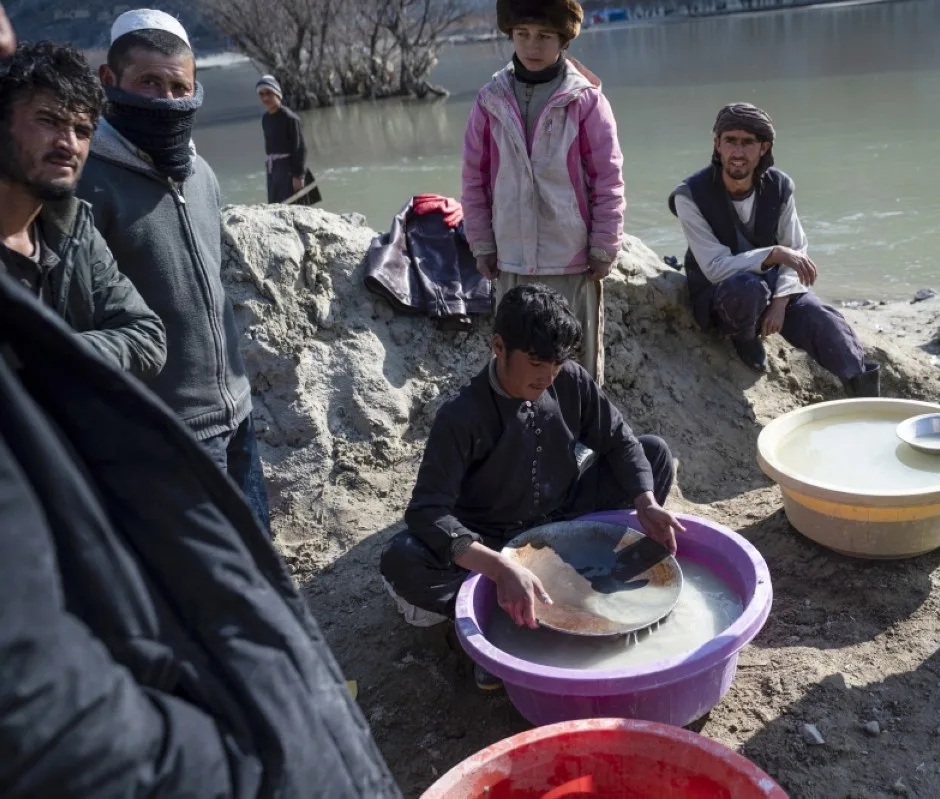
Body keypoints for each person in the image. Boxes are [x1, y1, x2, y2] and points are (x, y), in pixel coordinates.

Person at [0, 257, 403, 799]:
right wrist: (235, 766)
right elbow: (41, 711)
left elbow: (147, 333)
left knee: (253, 585)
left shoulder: (87, 223)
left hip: (218, 424)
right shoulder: (106, 192)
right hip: (154, 449)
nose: (73, 163)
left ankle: (303, 704)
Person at [380, 284, 682, 691]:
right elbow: (427, 511)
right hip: (492, 540)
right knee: (402, 558)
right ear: (499, 347)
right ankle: (491, 622)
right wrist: (499, 566)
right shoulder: (461, 416)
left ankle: (595, 589)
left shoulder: (569, 379)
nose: (548, 376)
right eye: (537, 362)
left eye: (557, 363)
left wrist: (645, 502)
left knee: (654, 454)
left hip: (565, 516)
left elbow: (618, 439)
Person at [76, 10, 272, 536]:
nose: (165, 101)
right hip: (162, 430)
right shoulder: (85, 185)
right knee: (205, 586)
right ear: (109, 83)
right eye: (148, 83)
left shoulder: (201, 173)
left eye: (178, 86)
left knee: (259, 555)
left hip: (236, 416)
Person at [462, 0, 624, 383]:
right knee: (515, 365)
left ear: (564, 40)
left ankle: (578, 437)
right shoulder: (489, 101)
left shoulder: (586, 102)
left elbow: (608, 179)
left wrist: (604, 245)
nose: (532, 46)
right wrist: (482, 243)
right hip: (512, 261)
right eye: (523, 35)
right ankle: (519, 437)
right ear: (511, 35)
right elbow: (474, 178)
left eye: (544, 36)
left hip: (569, 259)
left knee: (572, 365)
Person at [668, 103, 879, 395]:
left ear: (763, 148)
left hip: (774, 288)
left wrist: (781, 301)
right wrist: (774, 254)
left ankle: (864, 395)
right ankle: (744, 339)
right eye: (730, 141)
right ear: (717, 144)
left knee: (824, 321)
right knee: (746, 289)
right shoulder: (689, 195)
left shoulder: (779, 187)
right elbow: (715, 267)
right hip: (724, 295)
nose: (738, 152)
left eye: (748, 143)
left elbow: (796, 247)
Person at [0, 41, 165, 379]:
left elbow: (147, 337)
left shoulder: (73, 230)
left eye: (82, 130)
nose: (69, 144)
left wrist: (50, 353)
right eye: (48, 121)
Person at [256, 74, 318, 206]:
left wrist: (298, 176)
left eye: (269, 93)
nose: (265, 97)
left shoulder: (290, 118)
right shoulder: (265, 119)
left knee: (292, 206)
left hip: (289, 170)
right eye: (261, 94)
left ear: (277, 94)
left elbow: (300, 148)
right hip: (273, 170)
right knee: (275, 206)